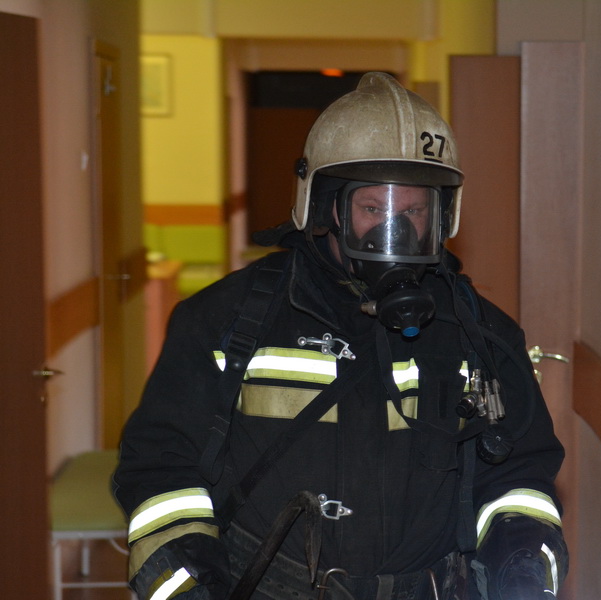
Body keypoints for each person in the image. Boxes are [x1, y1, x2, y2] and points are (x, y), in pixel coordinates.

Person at [113, 72, 568, 600]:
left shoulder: (481, 336)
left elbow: (519, 476)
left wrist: (522, 567)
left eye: (413, 211)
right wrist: (189, 587)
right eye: (373, 209)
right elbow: (161, 471)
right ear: (325, 204)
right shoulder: (225, 321)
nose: (394, 232)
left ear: (442, 214)